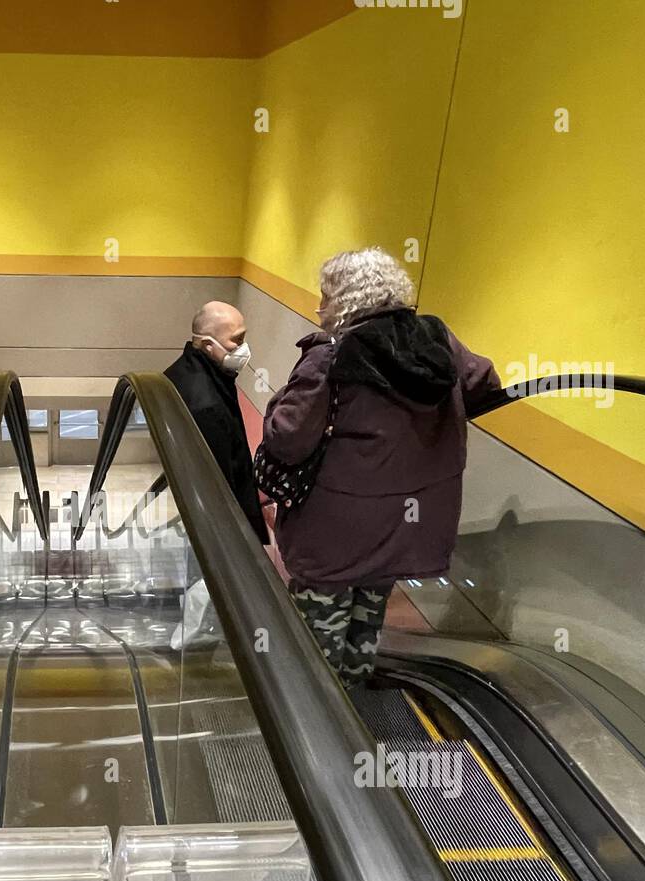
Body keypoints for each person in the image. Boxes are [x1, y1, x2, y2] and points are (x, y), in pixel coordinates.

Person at [261, 248, 501, 685]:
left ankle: (320, 721)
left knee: (318, 634)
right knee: (368, 619)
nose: (319, 306)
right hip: (407, 528)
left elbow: (288, 439)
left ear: (347, 299)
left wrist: (279, 399)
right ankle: (354, 693)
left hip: (336, 532)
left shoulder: (331, 357)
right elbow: (483, 384)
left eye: (326, 295)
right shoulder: (437, 340)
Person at [164, 301, 269, 546]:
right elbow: (220, 486)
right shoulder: (207, 404)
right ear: (209, 345)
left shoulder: (181, 371)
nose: (244, 348)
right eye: (237, 340)